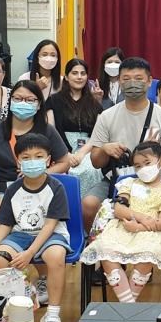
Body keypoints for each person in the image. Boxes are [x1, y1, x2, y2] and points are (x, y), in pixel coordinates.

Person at [0, 79, 71, 304]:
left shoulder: (47, 131)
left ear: (39, 104)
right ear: (10, 101)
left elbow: (64, 162)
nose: (23, 103)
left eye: (30, 100)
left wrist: (40, 173)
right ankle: (23, 287)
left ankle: (41, 277)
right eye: (18, 98)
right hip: (4, 192)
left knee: (33, 228)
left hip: (40, 188)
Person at [0, 134, 73, 322]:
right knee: (0, 258)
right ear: (18, 162)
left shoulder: (56, 187)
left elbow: (50, 225)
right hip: (21, 234)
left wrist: (30, 253)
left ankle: (52, 315)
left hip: (51, 234)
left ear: (48, 160)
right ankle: (20, 302)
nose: (32, 161)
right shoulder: (13, 189)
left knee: (56, 256)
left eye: (38, 156)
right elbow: (6, 223)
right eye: (26, 157)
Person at [80, 141, 161, 301]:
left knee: (148, 254)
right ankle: (128, 303)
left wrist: (138, 227)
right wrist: (140, 217)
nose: (143, 169)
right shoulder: (128, 184)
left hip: (151, 232)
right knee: (104, 249)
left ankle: (127, 304)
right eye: (138, 166)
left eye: (147, 163)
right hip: (122, 227)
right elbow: (118, 208)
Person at [89, 57, 161, 179]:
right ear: (119, 81)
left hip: (152, 181)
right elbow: (96, 163)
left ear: (149, 81)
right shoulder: (106, 116)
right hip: (116, 180)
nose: (132, 83)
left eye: (138, 79)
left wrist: (155, 150)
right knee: (91, 193)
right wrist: (104, 150)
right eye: (126, 79)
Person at [46, 58, 108, 227]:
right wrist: (65, 154)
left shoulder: (94, 103)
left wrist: (81, 153)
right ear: (66, 76)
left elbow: (99, 134)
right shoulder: (54, 100)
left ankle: (88, 221)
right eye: (74, 73)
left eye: (83, 73)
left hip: (89, 148)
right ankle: (66, 222)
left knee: (92, 169)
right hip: (61, 148)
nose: (79, 77)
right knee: (67, 171)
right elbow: (51, 130)